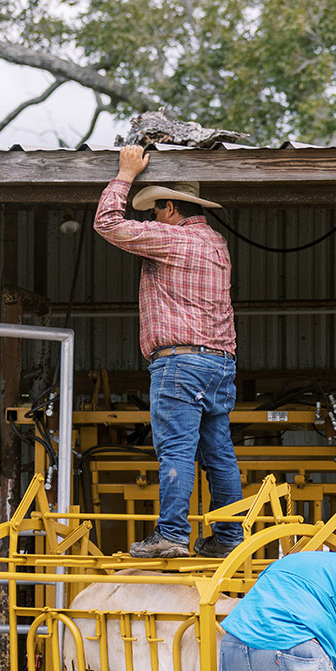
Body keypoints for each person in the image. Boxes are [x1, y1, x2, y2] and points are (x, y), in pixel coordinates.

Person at [94, 144, 243, 560]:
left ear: (172, 208)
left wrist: (124, 175)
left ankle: (172, 535)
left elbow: (107, 223)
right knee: (218, 452)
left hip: (179, 362)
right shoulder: (217, 245)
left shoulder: (172, 239)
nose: (153, 217)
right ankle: (228, 536)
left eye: (157, 209)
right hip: (220, 362)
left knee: (175, 449)